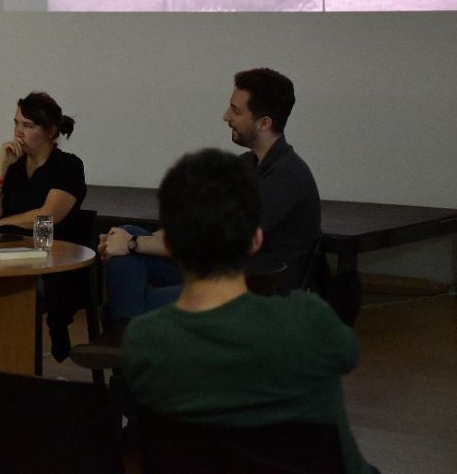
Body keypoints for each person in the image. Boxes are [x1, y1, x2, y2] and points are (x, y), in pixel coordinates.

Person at [124, 148, 374, 474]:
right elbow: (347, 354)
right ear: (255, 241)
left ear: (169, 245)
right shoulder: (310, 322)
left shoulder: (144, 341)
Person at [100, 67, 321, 323]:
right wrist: (125, 240)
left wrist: (130, 244)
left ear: (264, 123)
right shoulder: (247, 164)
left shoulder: (287, 176)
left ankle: (121, 322)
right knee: (127, 231)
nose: (225, 116)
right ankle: (122, 320)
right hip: (220, 274)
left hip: (254, 292)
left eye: (236, 111)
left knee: (130, 273)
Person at [0, 92, 86, 360]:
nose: (18, 132)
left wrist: (3, 223)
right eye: (16, 124)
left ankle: (13, 360)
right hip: (9, 256)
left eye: (27, 125)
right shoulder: (14, 166)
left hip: (53, 264)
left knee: (7, 289)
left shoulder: (68, 166)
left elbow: (48, 215)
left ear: (50, 131)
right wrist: (1, 167)